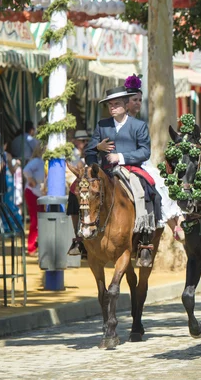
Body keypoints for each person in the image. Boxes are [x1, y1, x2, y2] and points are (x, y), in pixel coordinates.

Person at [73, 85, 161, 267]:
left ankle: (145, 241)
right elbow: (89, 151)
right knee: (76, 191)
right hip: (103, 172)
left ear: (126, 105)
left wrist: (119, 157)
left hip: (130, 169)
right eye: (110, 105)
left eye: (117, 104)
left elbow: (145, 152)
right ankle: (79, 237)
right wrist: (97, 149)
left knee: (145, 190)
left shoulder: (139, 126)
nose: (112, 107)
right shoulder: (102, 125)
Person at [124, 74, 185, 242]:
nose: (137, 102)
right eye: (134, 99)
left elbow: (144, 149)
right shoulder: (121, 121)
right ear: (126, 102)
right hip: (126, 163)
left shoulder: (139, 122)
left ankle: (177, 224)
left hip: (142, 163)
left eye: (139, 99)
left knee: (162, 183)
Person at [23, 143, 45, 256]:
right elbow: (26, 170)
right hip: (33, 193)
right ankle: (31, 248)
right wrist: (32, 181)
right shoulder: (37, 161)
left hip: (38, 194)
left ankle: (35, 245)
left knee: (39, 221)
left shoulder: (42, 161)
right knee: (35, 220)